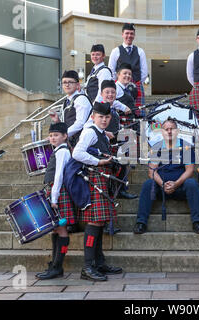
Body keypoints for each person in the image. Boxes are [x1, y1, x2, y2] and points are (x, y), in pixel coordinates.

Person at [73, 101, 123, 281]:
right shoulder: (89, 132)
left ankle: (99, 262)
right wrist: (99, 162)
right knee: (94, 223)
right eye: (100, 117)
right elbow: (77, 154)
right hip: (94, 179)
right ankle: (87, 267)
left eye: (107, 117)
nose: (104, 119)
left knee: (100, 222)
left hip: (102, 178)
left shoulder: (101, 133)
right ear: (93, 117)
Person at [132, 119, 199, 235]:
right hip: (161, 188)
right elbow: (152, 172)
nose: (169, 132)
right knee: (148, 184)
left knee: (192, 183)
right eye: (166, 129)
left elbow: (190, 171)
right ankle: (141, 222)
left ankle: (197, 222)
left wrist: (176, 184)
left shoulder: (185, 146)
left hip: (180, 187)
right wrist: (162, 184)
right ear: (162, 132)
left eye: (172, 129)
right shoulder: (157, 147)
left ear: (177, 131)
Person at [35, 122, 74, 280]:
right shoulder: (58, 150)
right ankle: (54, 264)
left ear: (65, 136)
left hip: (58, 193)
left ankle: (58, 267)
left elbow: (59, 176)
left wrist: (54, 198)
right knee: (55, 228)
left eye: (56, 135)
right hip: (54, 192)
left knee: (61, 229)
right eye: (51, 135)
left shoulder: (62, 152)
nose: (52, 138)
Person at [108, 23, 148, 107]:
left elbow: (144, 72)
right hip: (119, 87)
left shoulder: (140, 51)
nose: (129, 36)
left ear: (134, 35)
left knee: (138, 113)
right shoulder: (115, 51)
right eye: (127, 33)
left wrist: (136, 83)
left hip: (136, 86)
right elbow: (111, 71)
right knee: (120, 112)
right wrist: (119, 84)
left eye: (131, 33)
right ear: (122, 34)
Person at [50, 70, 92, 148]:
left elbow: (80, 124)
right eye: (64, 82)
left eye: (70, 82)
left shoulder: (81, 99)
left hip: (84, 143)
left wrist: (62, 135)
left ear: (77, 85)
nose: (67, 85)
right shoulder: (66, 102)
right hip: (73, 143)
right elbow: (67, 124)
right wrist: (58, 121)